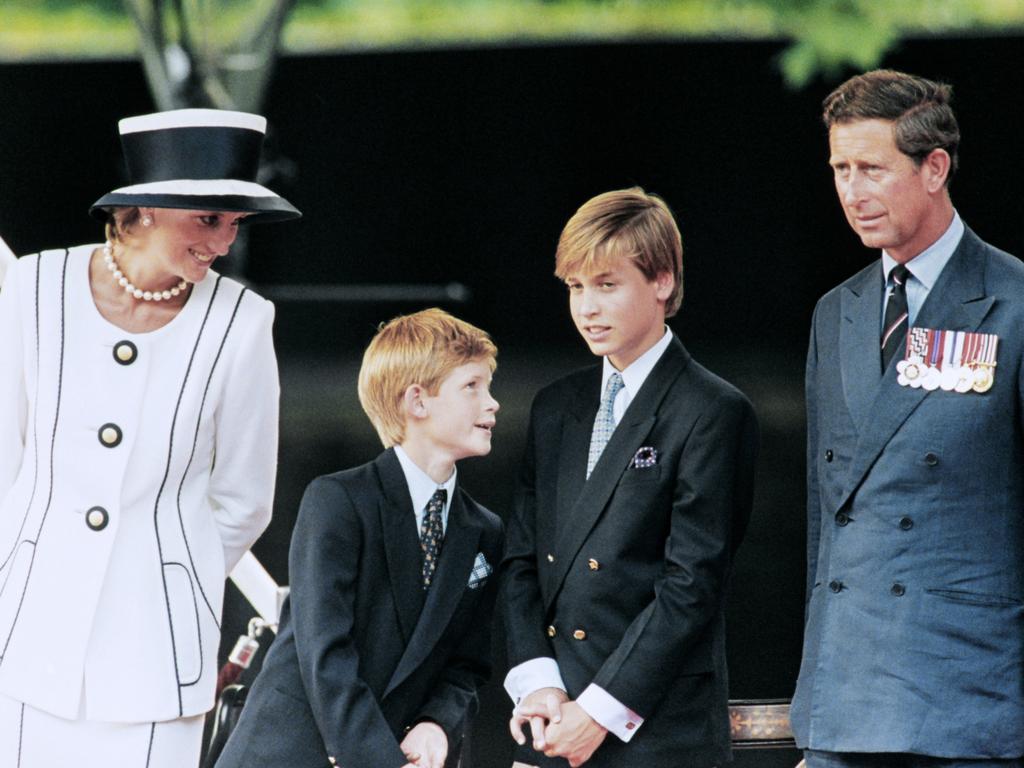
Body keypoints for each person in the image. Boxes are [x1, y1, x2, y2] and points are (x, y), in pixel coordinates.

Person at [0, 108, 300, 767]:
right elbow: (5, 458)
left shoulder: (242, 322)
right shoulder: (33, 288)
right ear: (148, 209)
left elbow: (244, 498)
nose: (223, 244)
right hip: (25, 639)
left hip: (157, 655)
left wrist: (170, 575)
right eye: (208, 219)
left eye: (234, 224)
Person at [792, 69, 1024, 767]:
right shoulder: (838, 312)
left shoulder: (1014, 302)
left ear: (935, 168)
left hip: (970, 695)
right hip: (844, 701)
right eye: (839, 169)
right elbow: (826, 518)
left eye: (872, 168)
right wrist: (815, 709)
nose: (853, 192)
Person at [501, 187, 759, 768]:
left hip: (657, 732)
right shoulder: (554, 406)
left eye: (606, 284)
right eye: (575, 287)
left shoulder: (713, 409)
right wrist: (539, 686)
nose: (586, 307)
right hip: (551, 723)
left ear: (662, 281)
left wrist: (598, 712)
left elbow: (691, 585)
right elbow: (521, 560)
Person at [215, 308, 504, 768]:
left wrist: (435, 722)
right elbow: (325, 653)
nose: (492, 403)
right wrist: (377, 760)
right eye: (472, 386)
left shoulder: (484, 529)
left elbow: (467, 663)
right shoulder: (338, 501)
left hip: (403, 753)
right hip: (294, 754)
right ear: (417, 401)